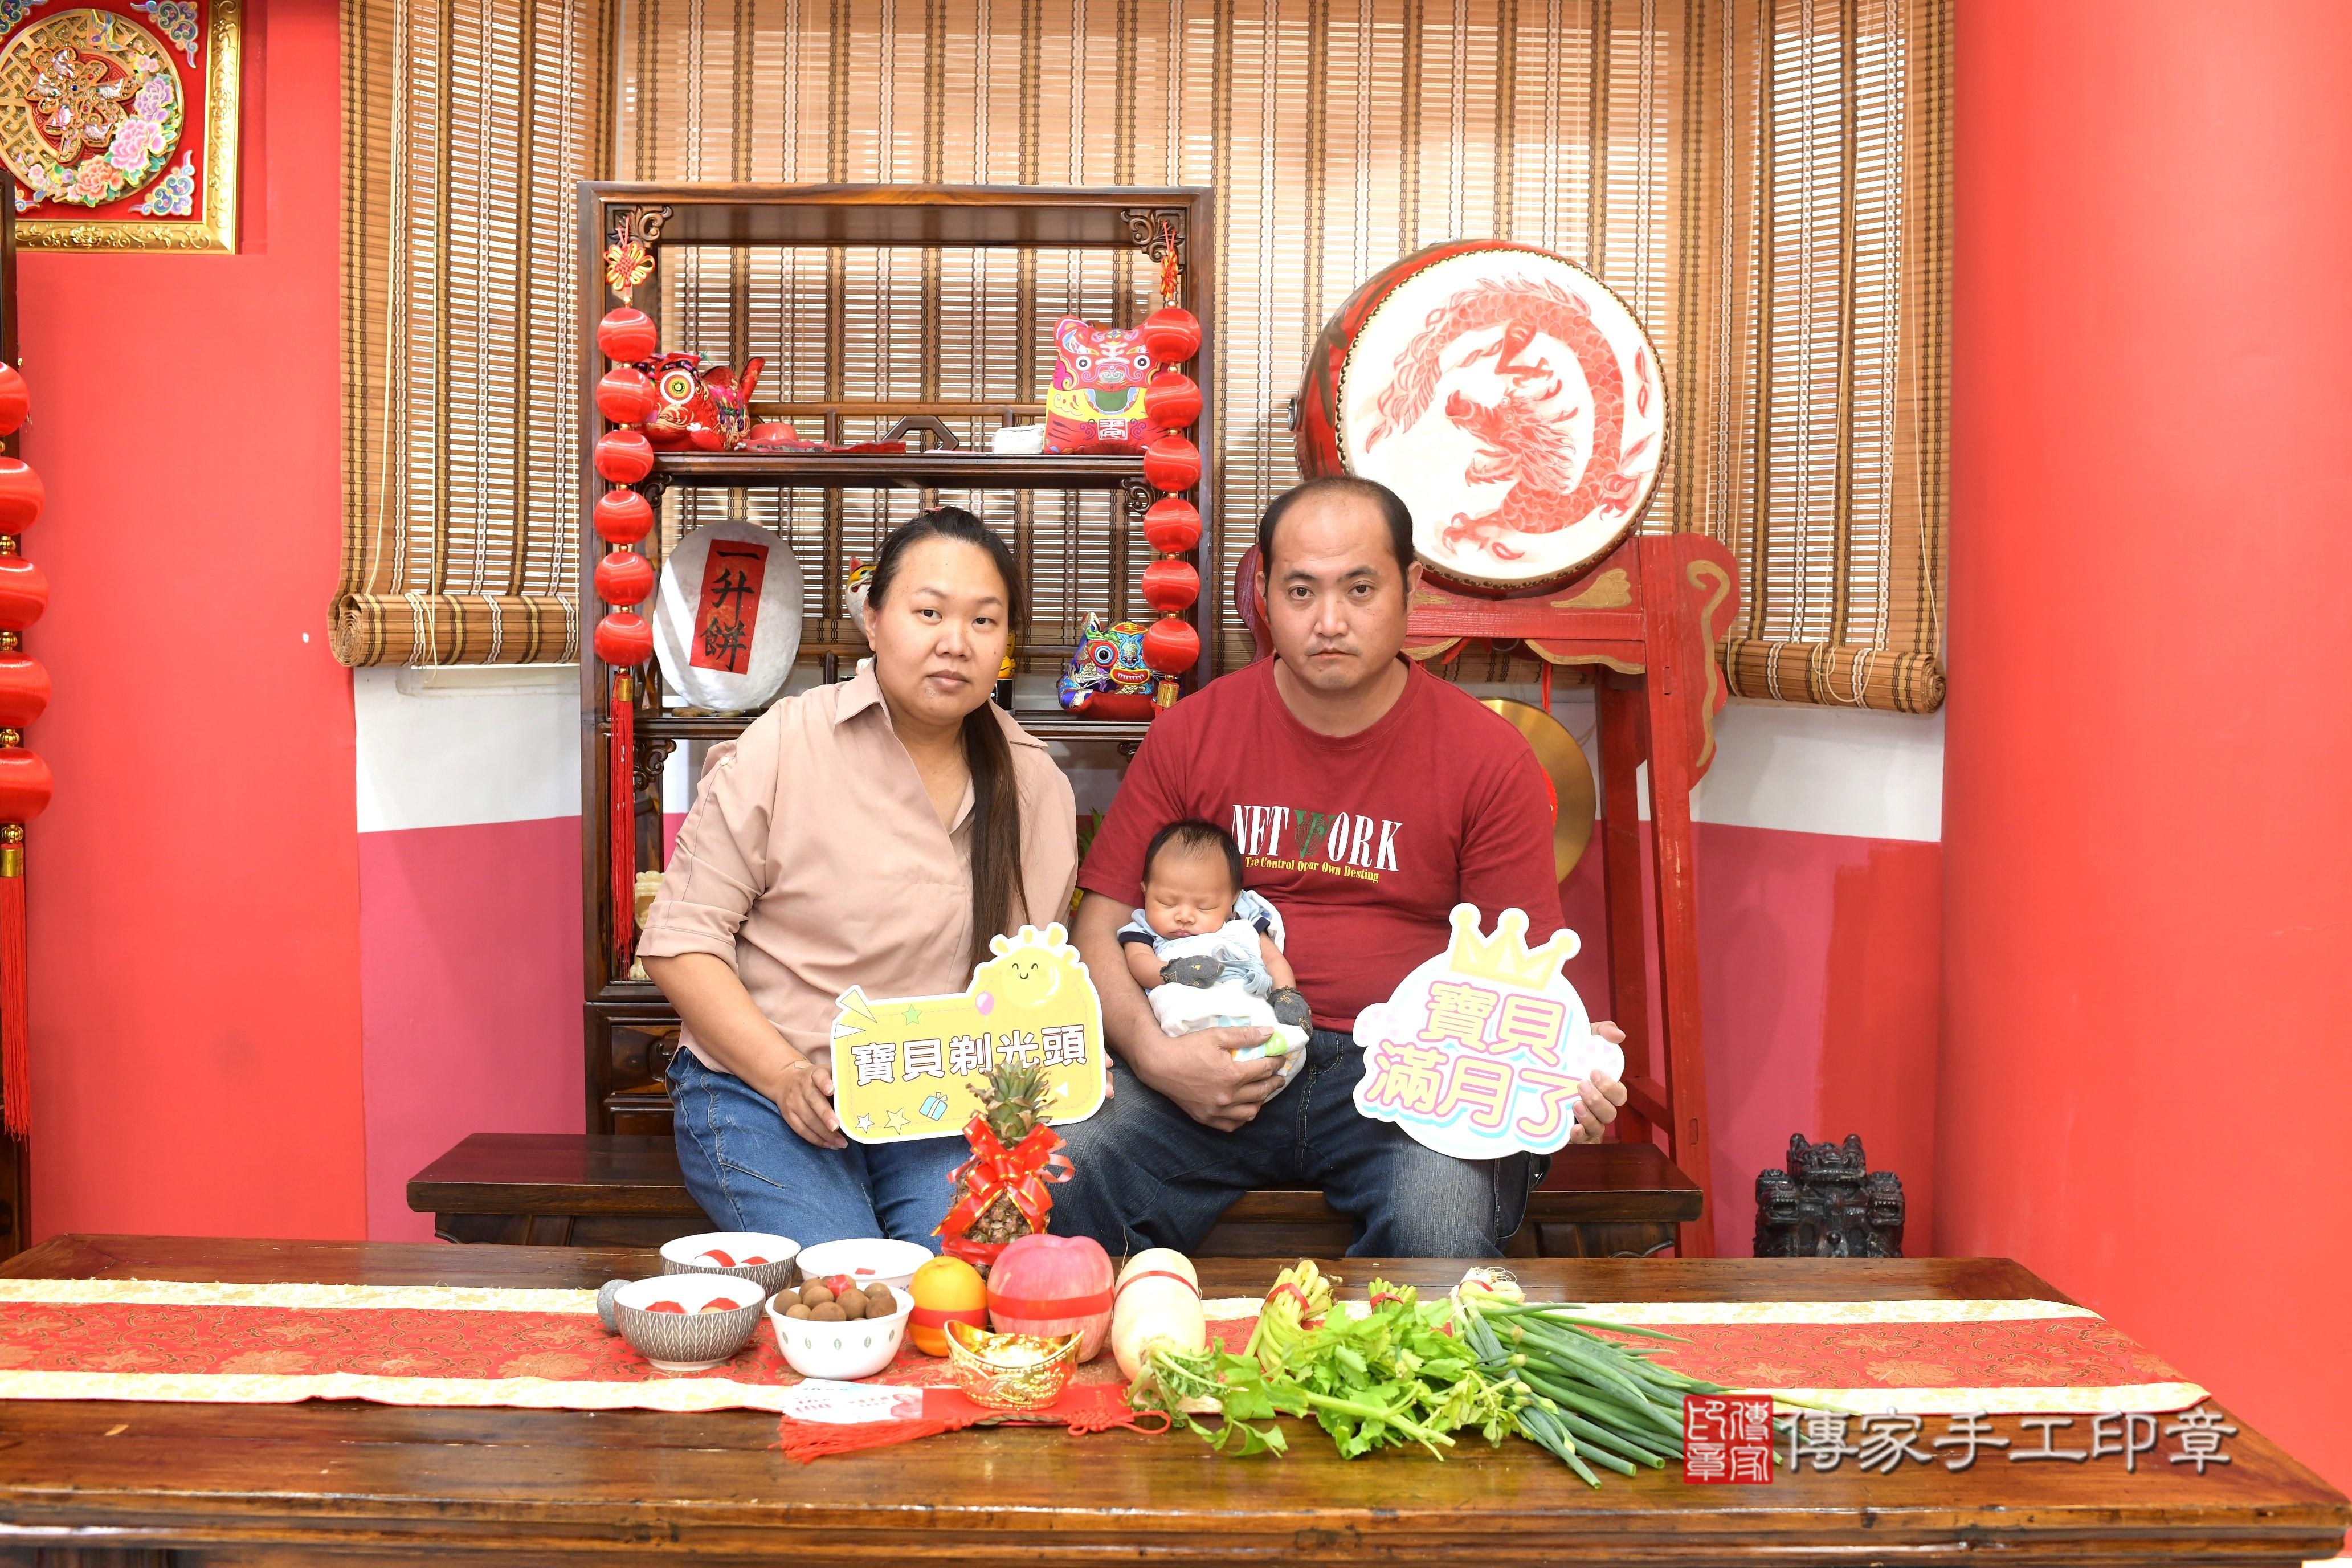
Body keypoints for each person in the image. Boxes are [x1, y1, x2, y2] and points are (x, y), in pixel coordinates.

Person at [1054, 475, 1628, 1258]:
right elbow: (1097, 928)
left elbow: (1517, 975)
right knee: (1065, 1167)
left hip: (1410, 1074)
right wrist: (1158, 1058)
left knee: (1437, 1220)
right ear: (1265, 594)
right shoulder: (1192, 734)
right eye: (1301, 591)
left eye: (1360, 589)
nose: (1329, 621)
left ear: (1411, 588)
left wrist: (1563, 1063)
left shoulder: (1488, 758)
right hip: (1212, 1043)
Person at [639, 507, 1077, 1250]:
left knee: (952, 1276)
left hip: (936, 1103)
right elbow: (681, 941)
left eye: (984, 621)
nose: (955, 642)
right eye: (929, 612)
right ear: (872, 620)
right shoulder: (785, 743)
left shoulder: (1034, 784)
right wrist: (782, 1074)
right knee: (854, 1279)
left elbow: (1027, 985)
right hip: (764, 1092)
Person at [1118, 818, 1312, 1083]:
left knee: (1280, 1034)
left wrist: (1286, 993)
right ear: (1145, 891)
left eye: (1204, 907)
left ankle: (1268, 1055)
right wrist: (1173, 971)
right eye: (1167, 902)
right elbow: (1138, 962)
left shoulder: (1241, 921)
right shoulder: (1145, 929)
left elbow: (1271, 957)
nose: (1184, 916)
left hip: (1250, 1010)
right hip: (1188, 1032)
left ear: (1233, 899)